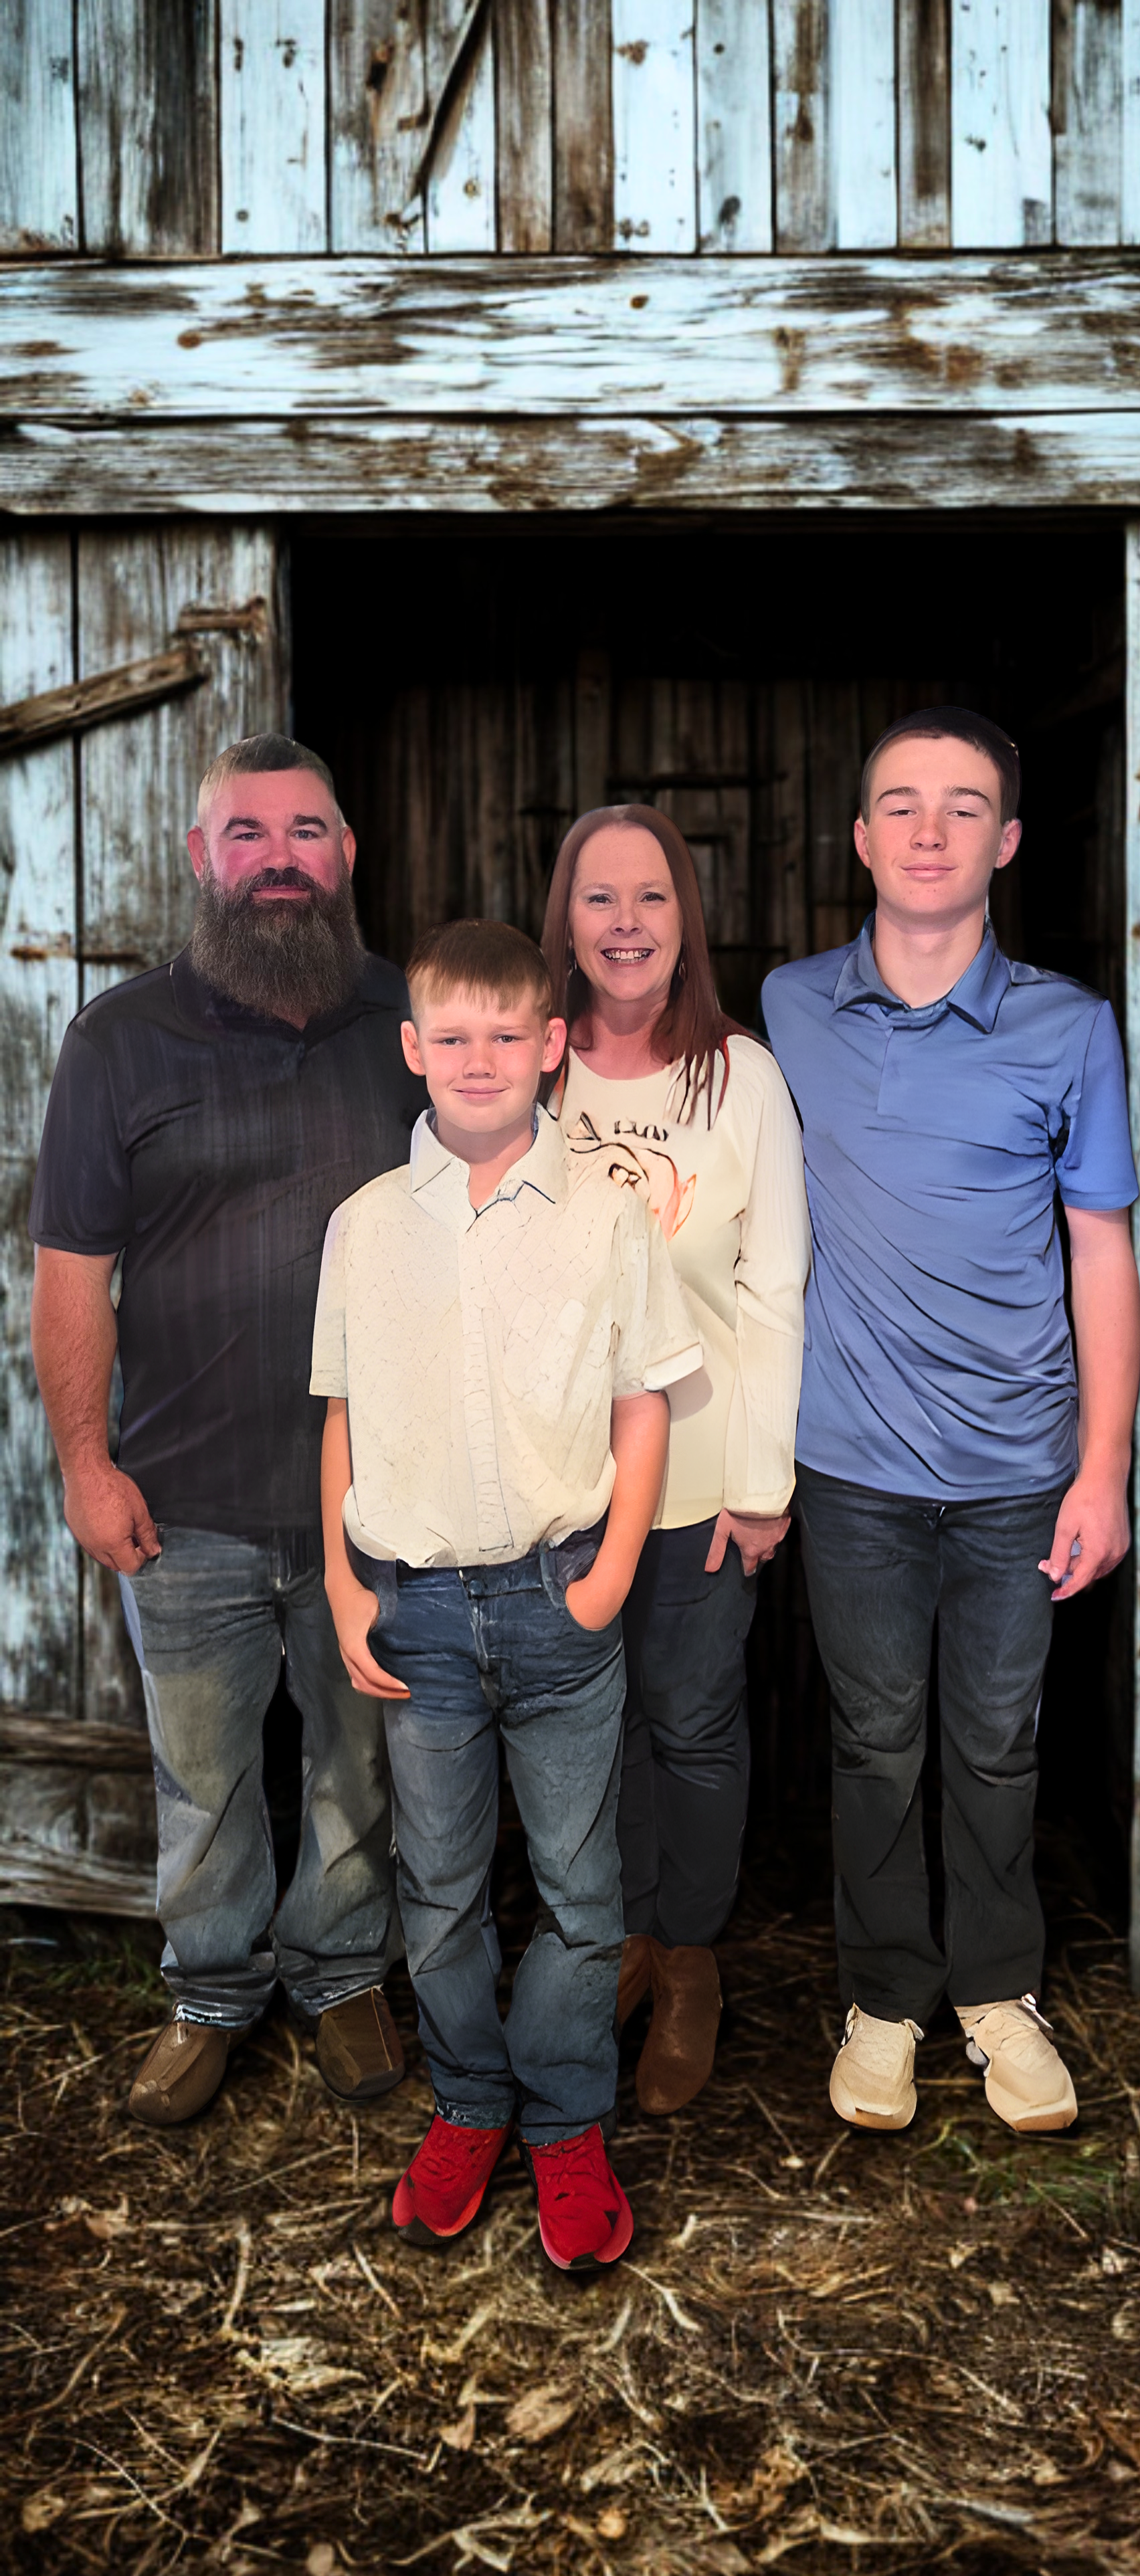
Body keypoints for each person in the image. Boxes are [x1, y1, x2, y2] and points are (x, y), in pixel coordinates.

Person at [29, 733, 427, 2126]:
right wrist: (85, 1462)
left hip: (375, 1498)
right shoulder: (121, 1039)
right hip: (182, 1494)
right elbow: (71, 1273)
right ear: (200, 857)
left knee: (354, 1761)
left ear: (346, 856)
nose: (276, 858)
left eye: (305, 830)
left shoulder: (410, 1022)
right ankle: (208, 1992)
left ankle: (339, 1975)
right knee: (201, 1778)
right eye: (245, 833)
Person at [762, 708, 1140, 2138]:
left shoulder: (1067, 1024)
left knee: (992, 1741)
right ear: (861, 839)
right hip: (851, 1460)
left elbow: (1101, 1250)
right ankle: (883, 1998)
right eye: (902, 805)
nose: (930, 829)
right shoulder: (793, 1006)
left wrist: (1101, 1469)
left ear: (1007, 840)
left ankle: (997, 1991)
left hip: (1016, 1469)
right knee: (876, 1740)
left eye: (964, 805)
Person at [312, 918, 702, 2271]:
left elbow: (644, 1405)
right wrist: (343, 1582)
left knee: (584, 1887)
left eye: (506, 1035)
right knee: (441, 1887)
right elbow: (344, 1416)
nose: (480, 1059)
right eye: (452, 1036)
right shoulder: (366, 1224)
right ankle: (472, 2101)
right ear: (415, 1048)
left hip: (558, 1604)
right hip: (413, 1607)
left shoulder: (602, 1216)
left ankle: (567, 2116)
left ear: (549, 1047)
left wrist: (606, 1578)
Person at [541, 807, 810, 2114]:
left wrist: (765, 1480)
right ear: (568, 917)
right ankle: (627, 1933)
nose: (629, 923)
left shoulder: (740, 1077)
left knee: (692, 1722)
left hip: (703, 1481)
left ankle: (691, 1954)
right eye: (602, 898)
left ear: (684, 918)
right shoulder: (532, 1070)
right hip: (562, 1484)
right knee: (591, 1731)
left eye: (652, 897)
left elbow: (776, 1289)